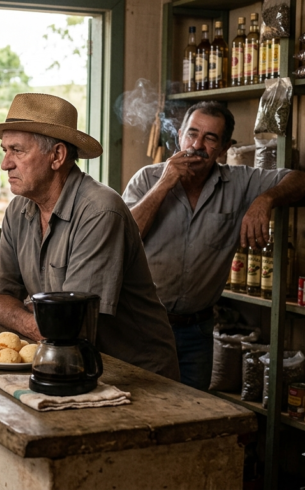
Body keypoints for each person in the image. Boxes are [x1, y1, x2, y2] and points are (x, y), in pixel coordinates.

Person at [0, 93, 180, 380]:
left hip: (137, 375)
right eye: (4, 150)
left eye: (17, 151)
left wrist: (30, 319)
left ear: (57, 156)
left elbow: (72, 325)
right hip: (72, 363)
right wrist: (37, 325)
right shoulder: (18, 210)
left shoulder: (100, 211)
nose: (5, 164)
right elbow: (0, 296)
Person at [123, 101, 305, 390]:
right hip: (142, 325)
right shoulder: (147, 178)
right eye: (192, 134)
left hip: (197, 331)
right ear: (180, 135)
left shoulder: (240, 182)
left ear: (224, 148)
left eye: (210, 138)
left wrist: (265, 200)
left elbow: (299, 180)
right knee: (140, 407)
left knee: (193, 411)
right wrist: (164, 183)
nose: (197, 145)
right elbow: (124, 238)